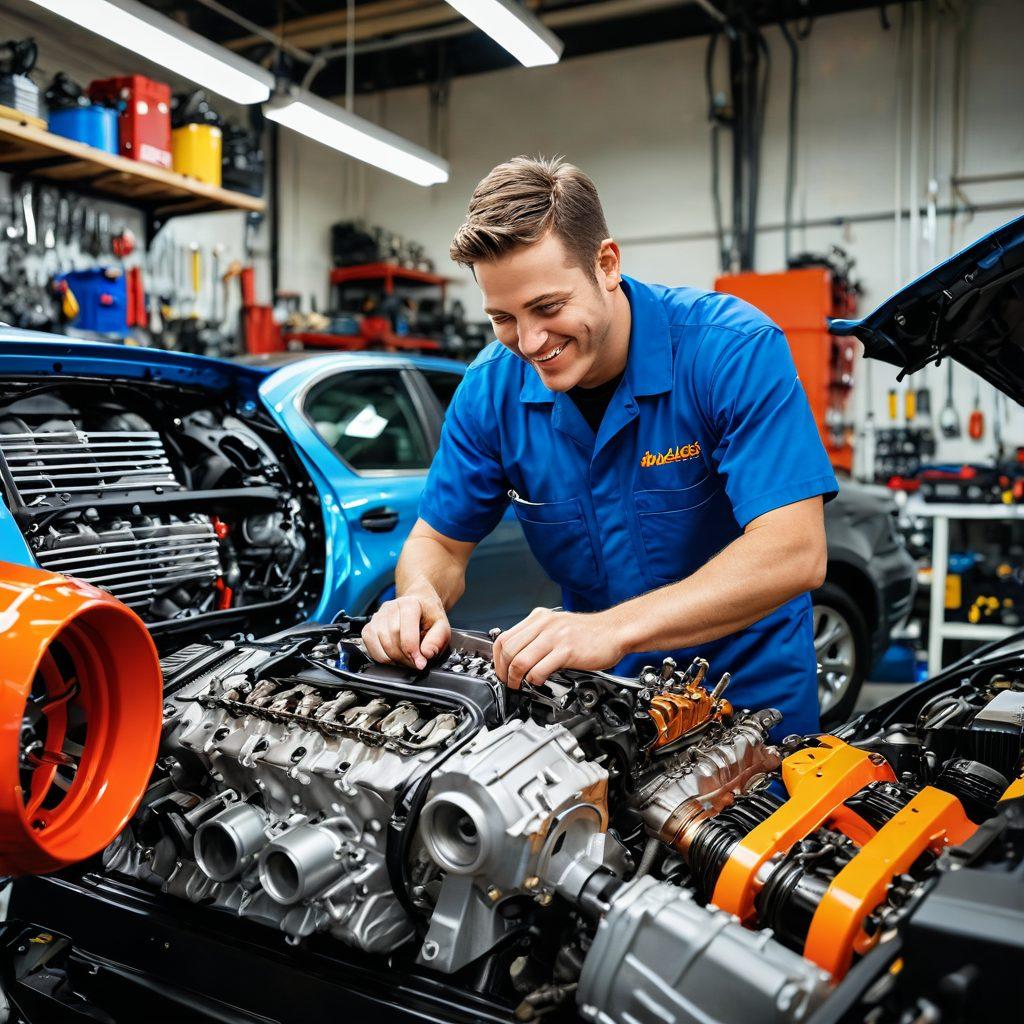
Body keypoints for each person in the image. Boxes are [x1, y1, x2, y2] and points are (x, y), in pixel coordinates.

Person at [361, 155, 837, 734]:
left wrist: (611, 629)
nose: (530, 342)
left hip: (751, 707)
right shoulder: (490, 391)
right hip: (602, 709)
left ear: (606, 264)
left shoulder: (730, 351)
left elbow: (795, 550)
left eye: (547, 307)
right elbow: (438, 541)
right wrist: (415, 599)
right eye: (503, 318)